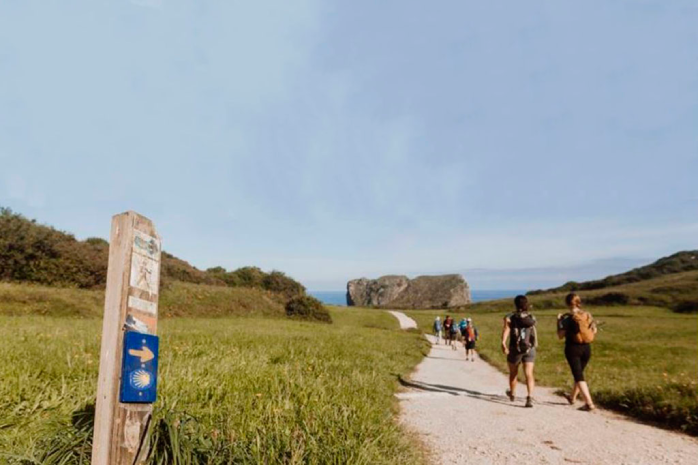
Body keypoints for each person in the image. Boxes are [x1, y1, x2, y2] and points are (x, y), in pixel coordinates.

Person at [557, 292, 598, 411]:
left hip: (572, 348)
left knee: (579, 376)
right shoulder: (587, 315)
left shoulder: (566, 318)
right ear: (579, 302)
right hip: (586, 348)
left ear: (566, 303)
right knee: (579, 373)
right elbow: (594, 331)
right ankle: (572, 397)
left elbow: (560, 335)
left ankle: (589, 403)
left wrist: (558, 322)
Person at [501, 295, 538, 408]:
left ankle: (512, 393)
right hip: (529, 348)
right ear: (526, 304)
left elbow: (506, 329)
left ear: (515, 304)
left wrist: (503, 343)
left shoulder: (510, 317)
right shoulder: (531, 317)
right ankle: (529, 397)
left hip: (514, 349)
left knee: (513, 373)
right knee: (529, 374)